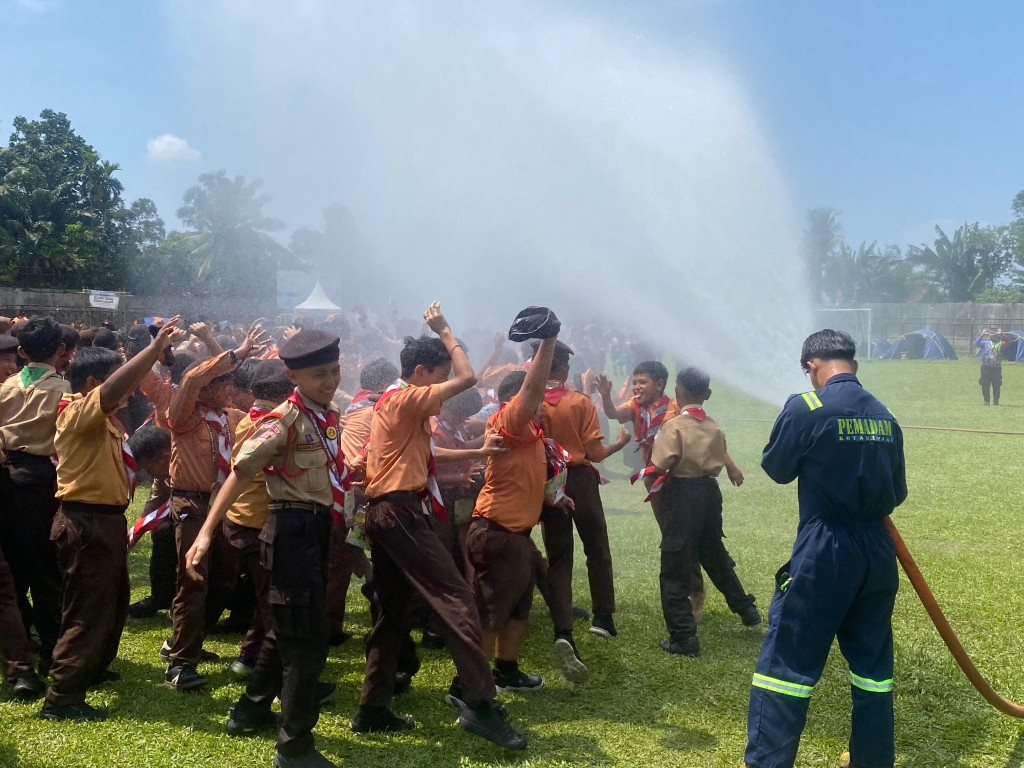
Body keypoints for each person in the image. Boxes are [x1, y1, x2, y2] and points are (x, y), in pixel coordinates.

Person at [355, 302, 526, 750]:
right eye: (438, 372)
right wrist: (446, 331)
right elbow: (469, 378)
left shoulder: (397, 406)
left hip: (387, 511)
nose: (443, 382)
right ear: (421, 372)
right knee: (457, 599)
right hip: (400, 512)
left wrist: (476, 454)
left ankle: (372, 708)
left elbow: (425, 458)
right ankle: (480, 705)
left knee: (392, 613)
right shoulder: (404, 397)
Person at [744, 330, 907, 768]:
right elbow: (898, 491)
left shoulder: (807, 406)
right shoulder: (885, 414)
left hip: (826, 549)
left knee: (786, 666)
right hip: (877, 551)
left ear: (812, 366)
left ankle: (766, 762)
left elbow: (777, 468)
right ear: (852, 364)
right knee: (872, 668)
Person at [185, 329, 346, 768]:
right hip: (290, 531)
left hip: (314, 531)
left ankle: (251, 709)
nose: (330, 381)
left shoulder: (326, 414)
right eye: (319, 375)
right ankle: (294, 749)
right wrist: (204, 533)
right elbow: (239, 474)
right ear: (293, 376)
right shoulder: (281, 422)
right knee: (305, 644)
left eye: (334, 370)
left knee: (285, 630)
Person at [41, 319, 181, 721]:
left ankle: (91, 670)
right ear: (91, 384)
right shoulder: (77, 413)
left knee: (112, 602)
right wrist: (151, 353)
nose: (129, 391)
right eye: (112, 381)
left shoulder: (105, 422)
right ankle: (62, 697)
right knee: (87, 610)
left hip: (103, 521)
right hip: (86, 521)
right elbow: (117, 387)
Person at [164, 325, 266, 690]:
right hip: (192, 503)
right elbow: (193, 378)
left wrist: (228, 352)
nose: (229, 387)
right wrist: (232, 350)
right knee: (194, 580)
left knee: (224, 579)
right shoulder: (183, 415)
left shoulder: (228, 417)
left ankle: (182, 641)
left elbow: (219, 376)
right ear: (204, 387)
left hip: (221, 506)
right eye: (221, 383)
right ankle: (180, 664)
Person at [648, 367, 760, 657]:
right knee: (713, 553)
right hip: (710, 493)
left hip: (683, 493)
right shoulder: (714, 425)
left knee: (674, 565)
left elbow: (659, 466)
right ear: (707, 395)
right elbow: (721, 454)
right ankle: (746, 608)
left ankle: (683, 637)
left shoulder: (673, 426)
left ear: (676, 392)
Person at [538, 339, 630, 645]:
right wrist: (617, 444)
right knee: (596, 548)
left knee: (559, 556)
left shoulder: (529, 403)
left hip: (548, 481)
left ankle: (562, 624)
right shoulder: (579, 402)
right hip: (578, 478)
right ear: (564, 369)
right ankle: (603, 617)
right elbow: (595, 452)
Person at [0, 316, 69, 677]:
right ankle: (51, 651)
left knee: (12, 567)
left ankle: (19, 639)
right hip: (43, 479)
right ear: (60, 350)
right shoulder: (63, 389)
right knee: (46, 570)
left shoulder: (7, 386)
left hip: (7, 475)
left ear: (21, 350)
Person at [975, 328, 1011, 405]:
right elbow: (976, 342)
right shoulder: (985, 343)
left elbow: (1008, 341)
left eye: (993, 334)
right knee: (985, 384)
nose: (991, 335)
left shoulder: (1000, 343)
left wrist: (1001, 334)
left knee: (996, 385)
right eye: (990, 334)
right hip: (985, 367)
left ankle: (996, 401)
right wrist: (982, 335)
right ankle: (986, 401)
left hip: (996, 368)